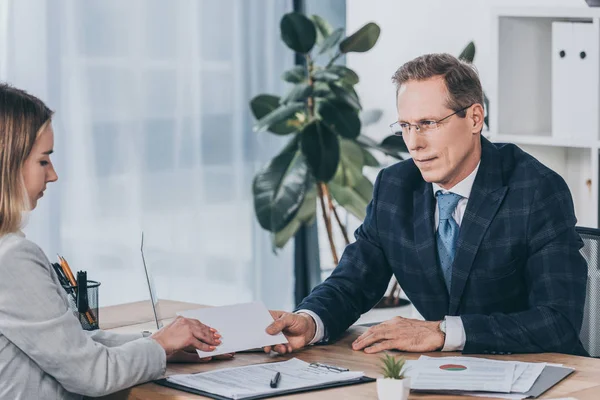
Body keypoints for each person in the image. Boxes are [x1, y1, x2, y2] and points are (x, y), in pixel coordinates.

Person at [265, 53, 588, 357]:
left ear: (474, 118)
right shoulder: (396, 186)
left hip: (545, 375)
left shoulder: (535, 189)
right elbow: (353, 282)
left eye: (429, 123)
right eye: (406, 126)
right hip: (445, 374)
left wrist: (444, 333)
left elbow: (557, 321)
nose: (415, 143)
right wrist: (311, 320)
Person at [0, 83, 231, 399]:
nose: (53, 175)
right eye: (43, 161)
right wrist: (159, 345)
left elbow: (73, 345)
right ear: (7, 163)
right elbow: (93, 374)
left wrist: (159, 345)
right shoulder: (12, 258)